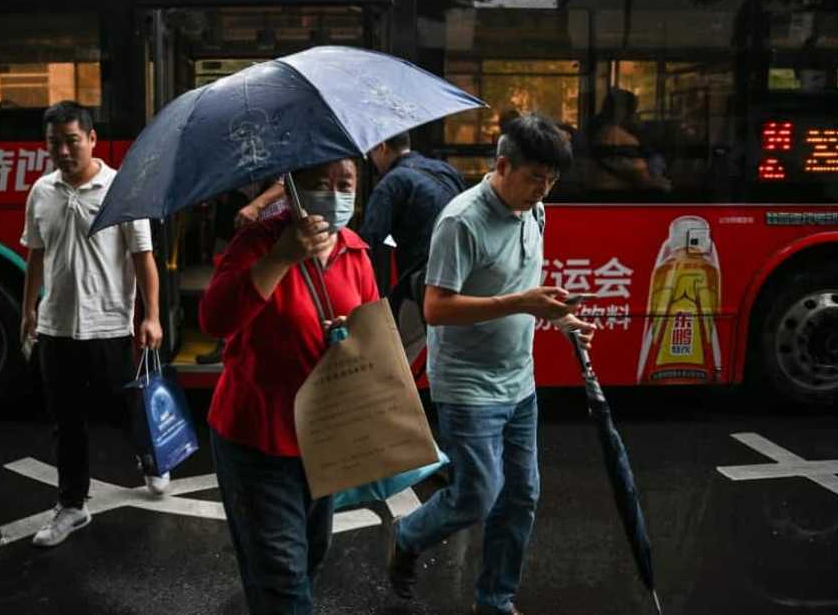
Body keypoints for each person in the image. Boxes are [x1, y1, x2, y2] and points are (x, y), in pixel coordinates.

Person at [386, 115, 595, 615]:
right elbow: (436, 308)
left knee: (522, 496)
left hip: (519, 382)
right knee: (476, 496)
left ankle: (495, 599)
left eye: (551, 182)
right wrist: (522, 303)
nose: (542, 192)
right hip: (466, 386)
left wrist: (561, 318)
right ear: (502, 165)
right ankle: (408, 535)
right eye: (534, 179)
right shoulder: (462, 221)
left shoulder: (535, 211)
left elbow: (525, 286)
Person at [200, 158, 379, 614]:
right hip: (258, 437)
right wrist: (282, 257)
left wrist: (352, 335)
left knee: (308, 557)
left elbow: (374, 329)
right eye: (320, 183)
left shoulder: (355, 251)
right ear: (292, 188)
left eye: (345, 184)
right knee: (281, 577)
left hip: (323, 439)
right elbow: (215, 319)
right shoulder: (258, 243)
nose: (335, 194)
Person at [20, 100, 164, 548]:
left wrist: (152, 317)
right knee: (67, 423)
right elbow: (36, 254)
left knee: (126, 409)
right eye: (54, 143)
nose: (63, 151)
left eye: (71, 141)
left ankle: (152, 459)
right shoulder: (42, 192)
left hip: (109, 326)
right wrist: (28, 311)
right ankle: (72, 506)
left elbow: (144, 259)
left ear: (92, 140)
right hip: (57, 327)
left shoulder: (121, 191)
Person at [361, 130, 467, 284]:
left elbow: (371, 240)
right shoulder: (447, 170)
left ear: (382, 147)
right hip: (461, 269)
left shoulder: (391, 183)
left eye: (371, 152)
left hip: (421, 281)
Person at [587, 88, 671, 192]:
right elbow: (641, 178)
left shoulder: (594, 129)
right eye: (633, 111)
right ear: (623, 112)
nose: (635, 116)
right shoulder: (617, 137)